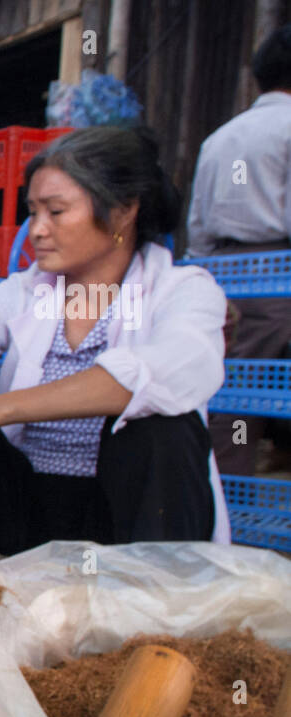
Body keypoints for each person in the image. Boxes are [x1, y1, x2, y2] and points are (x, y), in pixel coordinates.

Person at [0, 126, 230, 554]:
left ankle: (155, 600)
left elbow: (153, 375)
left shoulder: (184, 290)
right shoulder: (30, 291)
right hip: (30, 511)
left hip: (118, 519)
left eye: (56, 212)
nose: (37, 230)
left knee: (165, 426)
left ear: (122, 213)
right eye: (33, 212)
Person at [187, 25, 291, 476]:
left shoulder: (220, 138)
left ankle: (225, 494)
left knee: (234, 395)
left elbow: (197, 224)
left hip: (224, 273)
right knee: (253, 391)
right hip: (279, 273)